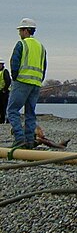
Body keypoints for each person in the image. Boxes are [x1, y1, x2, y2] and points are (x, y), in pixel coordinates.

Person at [7, 18, 47, 148]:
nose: (19, 33)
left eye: (20, 31)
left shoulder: (21, 45)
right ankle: (29, 141)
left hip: (22, 82)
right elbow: (44, 66)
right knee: (30, 113)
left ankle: (19, 138)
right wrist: (39, 81)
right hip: (35, 84)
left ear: (25, 31)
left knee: (12, 110)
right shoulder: (41, 47)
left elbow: (14, 63)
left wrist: (15, 78)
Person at [0, 58, 11, 123]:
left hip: (4, 92)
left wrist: (5, 89)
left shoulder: (5, 71)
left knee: (4, 106)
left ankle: (4, 119)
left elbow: (8, 81)